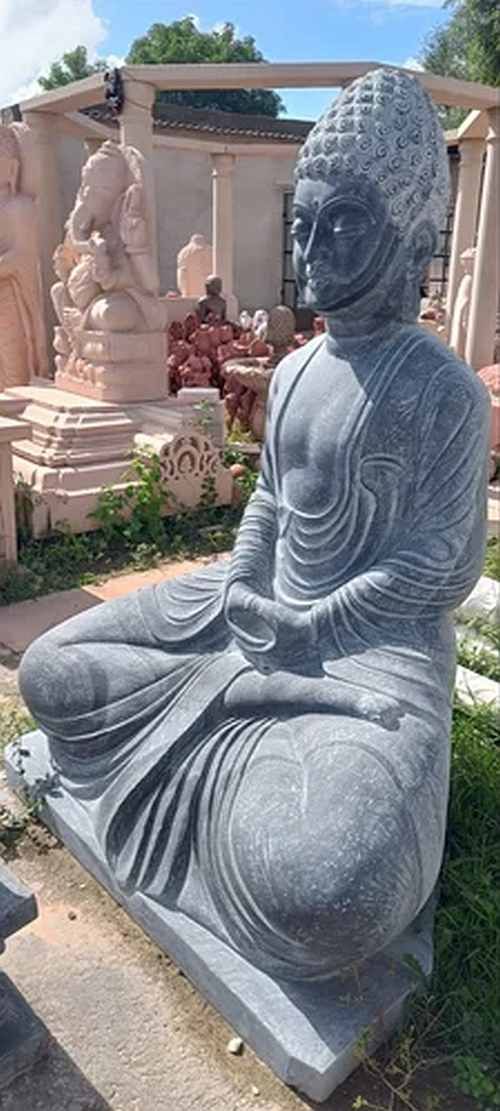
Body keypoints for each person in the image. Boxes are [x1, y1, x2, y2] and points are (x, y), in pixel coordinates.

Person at [20, 70, 490, 983]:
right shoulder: (301, 367)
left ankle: (233, 720)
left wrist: (316, 626)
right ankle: (239, 702)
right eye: (302, 224)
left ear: (409, 232)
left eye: (342, 224)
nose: (311, 249)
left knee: (330, 888)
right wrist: (240, 580)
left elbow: (443, 563)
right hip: (254, 608)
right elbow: (273, 498)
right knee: (49, 668)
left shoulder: (444, 392)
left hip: (372, 655)